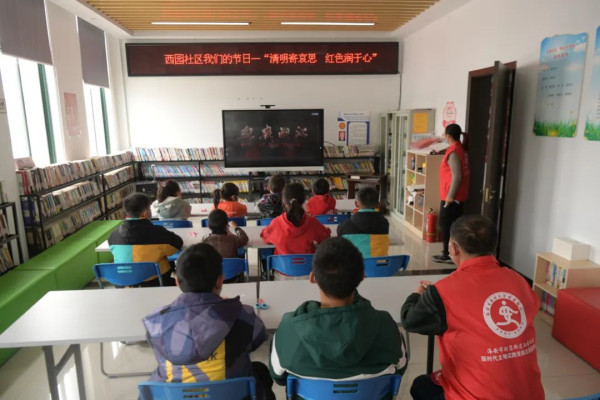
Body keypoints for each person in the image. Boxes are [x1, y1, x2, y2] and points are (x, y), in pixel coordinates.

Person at [401, 215, 544, 400]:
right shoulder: (520, 281)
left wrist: (417, 295)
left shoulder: (443, 292)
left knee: (421, 386)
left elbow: (409, 320)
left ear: (453, 248)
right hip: (531, 395)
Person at [142, 243, 275, 400]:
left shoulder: (156, 323)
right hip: (232, 394)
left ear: (177, 281)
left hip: (175, 395)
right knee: (260, 370)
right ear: (220, 280)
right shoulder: (243, 315)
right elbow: (259, 338)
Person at [269, 237, 407, 387]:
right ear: (362, 276)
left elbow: (278, 377)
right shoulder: (386, 325)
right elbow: (400, 368)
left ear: (313, 277)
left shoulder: (289, 328)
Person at [108, 193, 183, 286]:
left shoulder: (114, 235)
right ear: (146, 212)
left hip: (124, 284)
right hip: (156, 282)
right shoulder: (158, 233)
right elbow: (177, 244)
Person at [260, 182, 330, 256]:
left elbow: (265, 238)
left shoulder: (277, 223)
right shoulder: (312, 222)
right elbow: (326, 237)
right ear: (304, 200)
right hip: (308, 263)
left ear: (283, 201)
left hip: (282, 263)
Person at [433, 123, 470, 264]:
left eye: (444, 134)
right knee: (450, 224)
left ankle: (449, 254)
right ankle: (448, 253)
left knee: (446, 225)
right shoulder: (460, 149)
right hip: (456, 195)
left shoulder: (454, 151)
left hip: (452, 197)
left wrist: (450, 196)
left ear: (448, 135)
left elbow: (457, 176)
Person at [336, 187, 389, 257]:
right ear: (378, 205)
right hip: (378, 263)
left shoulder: (344, 225)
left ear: (356, 204)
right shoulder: (384, 223)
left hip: (355, 263)